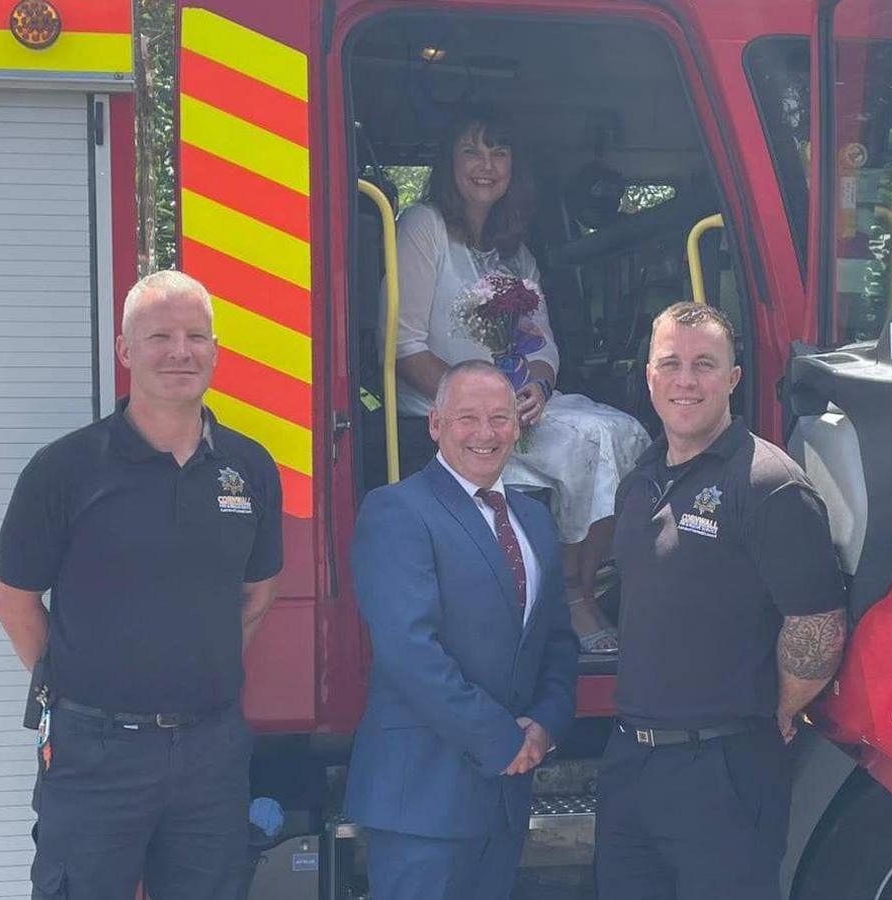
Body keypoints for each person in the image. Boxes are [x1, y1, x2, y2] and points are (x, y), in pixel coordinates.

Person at [0, 270, 283, 900]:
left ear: (215, 350)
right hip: (94, 754)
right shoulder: (64, 470)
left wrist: (194, 670)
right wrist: (76, 689)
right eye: (159, 337)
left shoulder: (249, 467)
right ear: (126, 352)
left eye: (195, 336)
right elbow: (14, 601)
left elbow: (259, 592)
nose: (180, 351)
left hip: (212, 753)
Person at [594, 303, 849, 900]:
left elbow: (818, 626)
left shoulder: (767, 485)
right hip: (630, 761)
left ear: (733, 378)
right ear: (650, 376)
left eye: (704, 364)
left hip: (724, 770)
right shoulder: (641, 480)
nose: (686, 380)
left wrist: (776, 709)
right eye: (671, 364)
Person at [386, 109, 649, 652]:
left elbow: (543, 342)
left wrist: (539, 387)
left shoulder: (516, 252)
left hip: (512, 402)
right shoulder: (423, 227)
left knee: (622, 431)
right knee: (587, 442)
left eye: (499, 152)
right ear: (448, 163)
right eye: (472, 151)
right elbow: (404, 345)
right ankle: (575, 600)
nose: (487, 165)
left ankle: (578, 583)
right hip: (441, 409)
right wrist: (480, 406)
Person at [345, 360, 579, 900]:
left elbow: (557, 642)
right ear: (435, 425)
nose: (485, 433)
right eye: (466, 417)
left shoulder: (534, 520)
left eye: (500, 418)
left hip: (503, 799)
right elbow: (410, 653)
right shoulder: (397, 511)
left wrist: (545, 725)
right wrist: (502, 741)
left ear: (517, 428)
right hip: (421, 804)